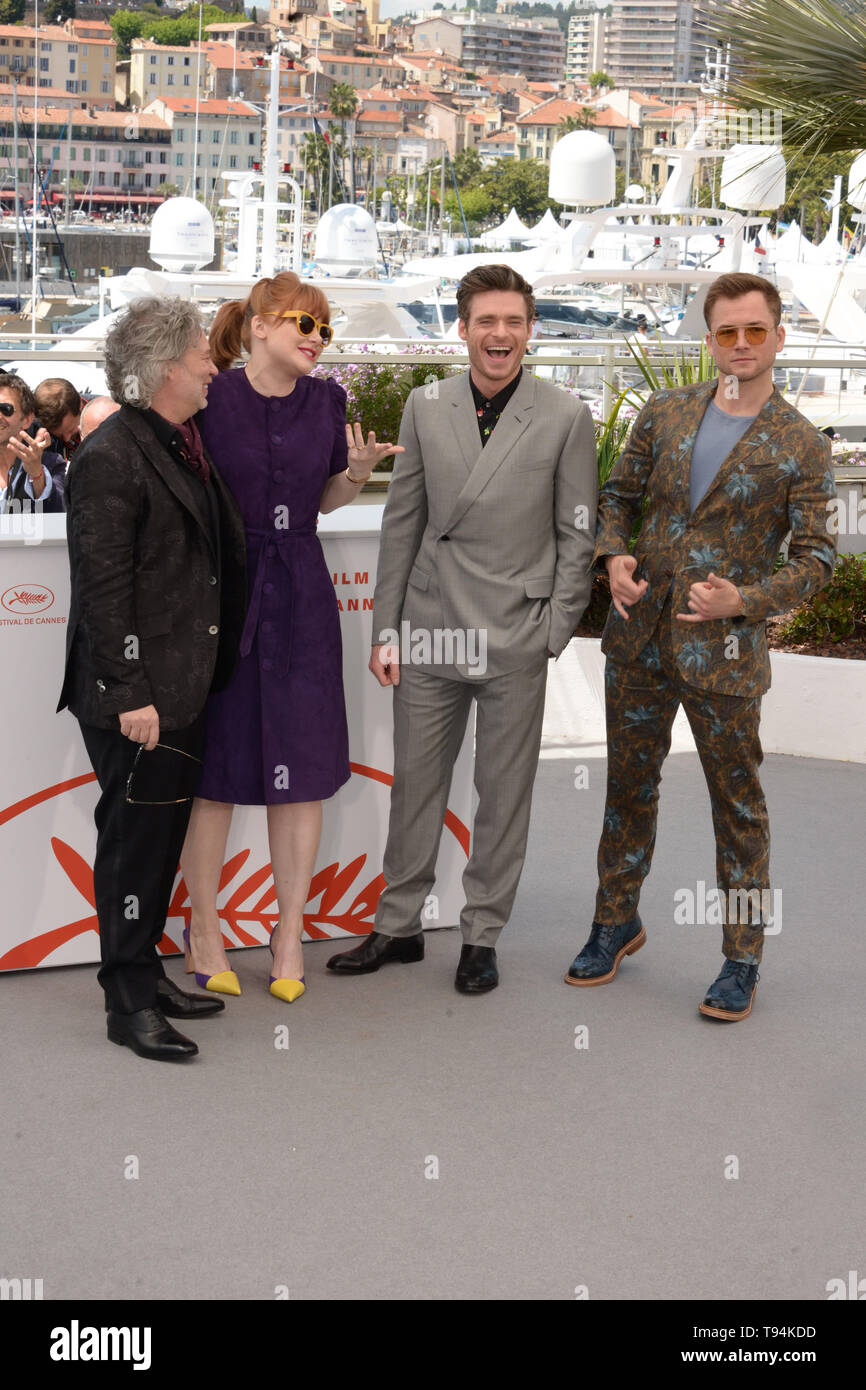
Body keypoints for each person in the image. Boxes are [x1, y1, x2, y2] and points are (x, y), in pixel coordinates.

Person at [565, 271, 837, 1021]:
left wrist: (744, 601)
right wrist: (612, 558)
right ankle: (615, 923)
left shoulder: (802, 444)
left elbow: (816, 559)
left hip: (724, 657)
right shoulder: (664, 411)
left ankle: (741, 958)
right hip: (639, 638)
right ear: (710, 337)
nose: (742, 345)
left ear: (780, 337)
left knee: (737, 807)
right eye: (727, 332)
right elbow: (617, 496)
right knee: (627, 789)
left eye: (756, 331)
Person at [327, 263, 598, 994]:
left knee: (502, 792)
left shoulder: (566, 415)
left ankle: (482, 935)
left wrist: (553, 631)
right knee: (416, 785)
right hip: (429, 626)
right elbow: (401, 524)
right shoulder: (425, 404)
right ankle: (398, 925)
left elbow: (579, 534)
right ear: (463, 329)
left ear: (530, 329)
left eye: (513, 321)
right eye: (486, 321)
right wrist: (387, 629)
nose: (499, 334)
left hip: (515, 632)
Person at [180, 271, 400, 1004]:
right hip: (228, 592)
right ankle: (204, 928)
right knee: (216, 769)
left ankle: (288, 932)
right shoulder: (210, 401)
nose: (316, 339)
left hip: (303, 594)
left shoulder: (330, 402)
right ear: (262, 327)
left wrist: (357, 475)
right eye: (306, 325)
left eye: (324, 329)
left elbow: (328, 497)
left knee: (300, 771)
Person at [57, 296, 248, 1062]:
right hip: (136, 696)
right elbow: (101, 592)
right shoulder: (111, 457)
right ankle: (127, 1002)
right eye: (203, 351)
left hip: (182, 685)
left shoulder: (174, 440)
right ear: (168, 367)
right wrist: (132, 693)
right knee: (134, 845)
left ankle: (145, 967)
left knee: (160, 838)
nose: (213, 363)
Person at [0, 372, 66, 514]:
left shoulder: (52, 463)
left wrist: (37, 474)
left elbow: (59, 515)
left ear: (27, 420)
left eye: (6, 409)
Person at [34, 377, 82, 461]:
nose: (67, 439)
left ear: (80, 407)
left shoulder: (105, 416)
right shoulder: (34, 431)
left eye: (70, 430)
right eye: (59, 435)